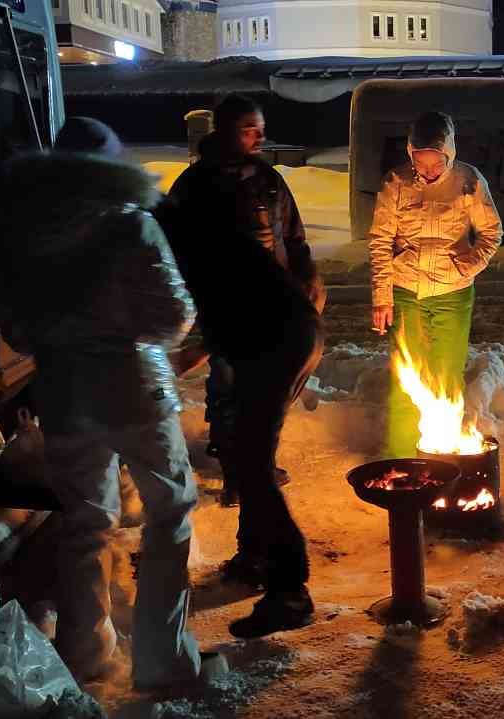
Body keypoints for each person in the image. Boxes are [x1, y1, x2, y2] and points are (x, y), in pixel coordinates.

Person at [0, 118, 221, 686]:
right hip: (135, 390)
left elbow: (16, 331)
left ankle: (85, 652)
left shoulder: (24, 237)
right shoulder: (130, 226)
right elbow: (173, 315)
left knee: (86, 523)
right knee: (170, 512)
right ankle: (162, 659)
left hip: (65, 397)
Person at [165, 103, 325, 639]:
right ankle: (255, 556)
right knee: (243, 450)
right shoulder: (198, 204)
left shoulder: (193, 232)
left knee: (252, 462)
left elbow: (214, 305)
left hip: (277, 337)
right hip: (277, 330)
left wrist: (186, 353)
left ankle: (289, 590)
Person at [193, 95, 323, 510]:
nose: (259, 136)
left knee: (270, 386)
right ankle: (236, 473)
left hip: (275, 304)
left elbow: (294, 236)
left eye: (261, 128)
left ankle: (258, 462)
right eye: (250, 128)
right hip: (228, 306)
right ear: (225, 129)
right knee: (230, 386)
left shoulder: (268, 180)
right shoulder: (199, 184)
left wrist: (307, 278)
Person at [368, 111, 503, 457]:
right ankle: (400, 456)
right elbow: (381, 242)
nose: (428, 172)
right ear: (411, 155)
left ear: (450, 155)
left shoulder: (469, 181)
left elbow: (491, 232)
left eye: (436, 164)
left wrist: (467, 266)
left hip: (452, 293)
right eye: (421, 164)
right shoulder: (395, 183)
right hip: (406, 290)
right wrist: (382, 297)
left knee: (446, 372)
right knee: (405, 375)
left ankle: (443, 453)